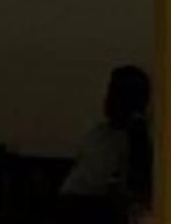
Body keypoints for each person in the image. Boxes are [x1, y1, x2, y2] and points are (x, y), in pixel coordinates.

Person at [60, 64, 153, 202]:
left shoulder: (137, 139)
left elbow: (133, 187)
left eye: (115, 93)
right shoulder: (99, 133)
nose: (108, 99)